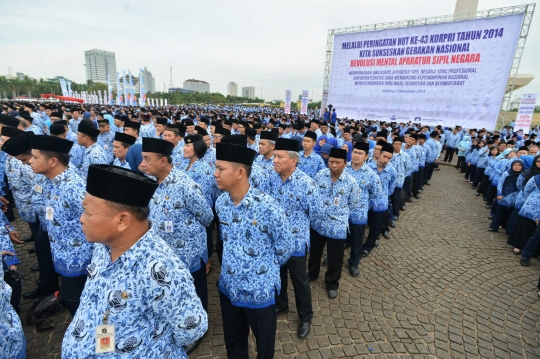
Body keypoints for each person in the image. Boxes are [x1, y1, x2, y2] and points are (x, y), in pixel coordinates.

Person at [61, 164, 207, 358]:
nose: (81, 219)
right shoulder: (104, 245)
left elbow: (192, 328)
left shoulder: (160, 269)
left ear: (122, 220)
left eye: (88, 213)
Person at [214, 142, 294, 359]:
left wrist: (263, 267)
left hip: (259, 291)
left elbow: (285, 247)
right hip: (229, 286)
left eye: (221, 169)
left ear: (240, 172)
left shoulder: (267, 207)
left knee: (264, 345)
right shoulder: (221, 203)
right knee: (234, 340)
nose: (215, 174)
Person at [260, 138, 317, 339]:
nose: (274, 160)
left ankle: (305, 316)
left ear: (293, 160)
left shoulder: (307, 184)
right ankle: (282, 304)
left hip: (295, 243)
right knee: (280, 274)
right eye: (274, 156)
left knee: (299, 280)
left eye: (279, 157)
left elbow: (315, 213)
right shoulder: (271, 178)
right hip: (275, 242)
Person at [29, 135, 92, 316]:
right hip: (63, 252)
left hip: (78, 257)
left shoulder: (72, 186)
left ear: (53, 161)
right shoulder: (53, 181)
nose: (30, 162)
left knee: (73, 299)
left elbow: (94, 217)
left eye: (35, 157)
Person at [308, 148, 359, 299]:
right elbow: (313, 195)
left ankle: (332, 282)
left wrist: (339, 213)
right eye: (331, 161)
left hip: (337, 225)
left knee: (335, 256)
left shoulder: (351, 182)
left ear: (345, 163)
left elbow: (354, 203)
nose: (333, 165)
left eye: (337, 162)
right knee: (315, 251)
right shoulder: (320, 175)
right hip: (318, 222)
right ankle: (312, 273)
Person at [345, 141, 384, 273]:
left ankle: (354, 263)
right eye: (354, 152)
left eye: (360, 153)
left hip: (358, 214)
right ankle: (335, 259)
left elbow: (376, 193)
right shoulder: (343, 169)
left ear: (366, 156)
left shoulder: (371, 174)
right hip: (341, 212)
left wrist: (363, 204)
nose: (356, 155)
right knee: (338, 240)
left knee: (357, 241)